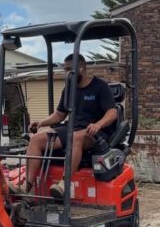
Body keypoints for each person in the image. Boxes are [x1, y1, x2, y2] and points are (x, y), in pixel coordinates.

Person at [25, 53, 118, 198]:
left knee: (76, 137)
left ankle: (64, 183)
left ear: (81, 68)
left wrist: (98, 124)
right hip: (71, 129)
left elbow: (112, 113)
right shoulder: (69, 89)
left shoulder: (100, 87)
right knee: (36, 139)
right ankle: (26, 186)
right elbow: (59, 114)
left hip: (93, 133)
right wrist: (41, 122)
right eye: (65, 70)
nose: (66, 73)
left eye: (69, 69)